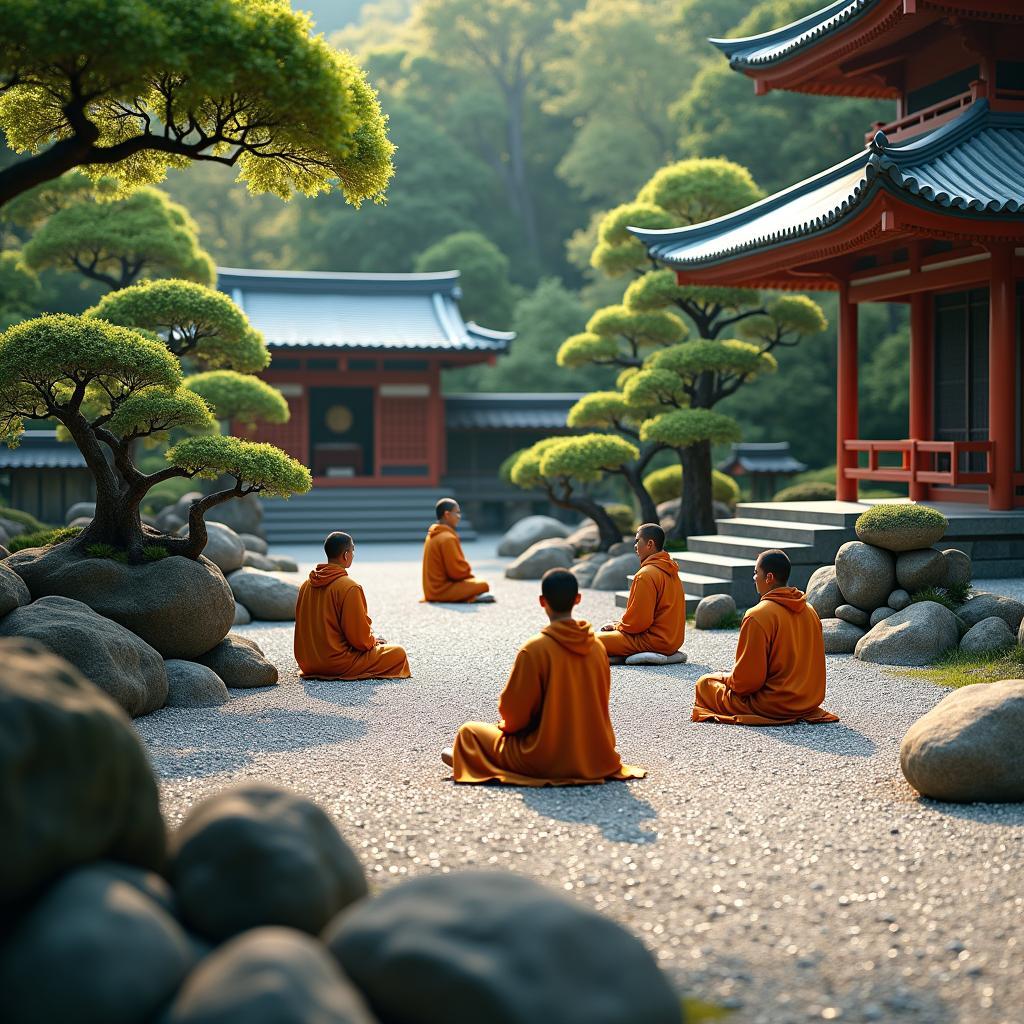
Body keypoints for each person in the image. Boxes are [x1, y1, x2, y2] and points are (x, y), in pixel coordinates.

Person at [444, 568, 645, 786]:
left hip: (544, 757)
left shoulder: (534, 649)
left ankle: (474, 759)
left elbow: (514, 717)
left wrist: (505, 728)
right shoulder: (597, 647)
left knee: (469, 732)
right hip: (594, 754)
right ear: (578, 599)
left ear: (542, 601)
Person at [692, 549, 838, 726]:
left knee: (705, 683)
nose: (754, 578)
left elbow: (747, 683)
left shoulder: (758, 615)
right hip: (808, 701)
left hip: (773, 704)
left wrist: (724, 677)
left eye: (756, 573)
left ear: (769, 577)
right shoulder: (810, 611)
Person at [293, 531, 411, 681]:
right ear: (346, 555)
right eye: (353, 550)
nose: (353, 554)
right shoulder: (349, 587)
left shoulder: (306, 584)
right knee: (398, 653)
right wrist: (373, 641)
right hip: (337, 663)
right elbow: (359, 640)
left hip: (308, 662)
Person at [597, 523, 685, 659]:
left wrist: (617, 627)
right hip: (673, 642)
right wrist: (618, 625)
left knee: (590, 640)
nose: (635, 545)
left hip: (653, 641)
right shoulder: (670, 569)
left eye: (638, 541)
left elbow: (638, 623)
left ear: (650, 544)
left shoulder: (646, 575)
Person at [421, 498, 493, 603]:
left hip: (430, 590)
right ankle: (471, 597)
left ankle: (472, 595)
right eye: (457, 513)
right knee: (483, 584)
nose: (459, 517)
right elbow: (456, 572)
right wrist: (468, 574)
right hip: (441, 591)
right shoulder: (447, 538)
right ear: (447, 514)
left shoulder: (432, 535)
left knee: (476, 583)